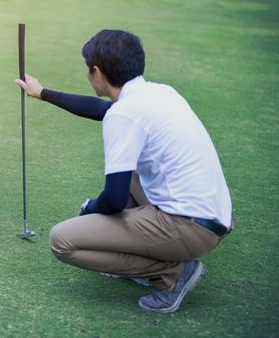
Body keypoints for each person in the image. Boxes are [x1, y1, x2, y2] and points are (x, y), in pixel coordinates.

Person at [14, 29, 232, 313]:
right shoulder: (159, 92)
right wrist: (42, 93)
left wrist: (90, 208)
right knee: (132, 174)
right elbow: (100, 109)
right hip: (214, 214)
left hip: (190, 226)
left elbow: (113, 200)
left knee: (62, 240)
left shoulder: (124, 115)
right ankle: (160, 254)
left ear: (97, 72)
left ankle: (171, 273)